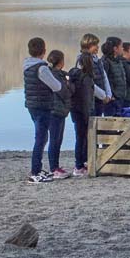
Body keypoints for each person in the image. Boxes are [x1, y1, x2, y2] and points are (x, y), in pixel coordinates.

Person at [23, 37, 63, 184]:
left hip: (32, 105)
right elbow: (56, 86)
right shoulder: (42, 68)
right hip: (42, 106)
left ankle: (38, 169)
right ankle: (35, 172)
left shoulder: (27, 65)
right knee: (41, 139)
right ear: (44, 51)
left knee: (40, 137)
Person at [69, 52, 104, 177]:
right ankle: (79, 165)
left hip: (74, 110)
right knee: (82, 138)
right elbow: (87, 98)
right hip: (83, 112)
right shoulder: (87, 79)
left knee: (80, 138)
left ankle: (80, 163)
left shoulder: (73, 75)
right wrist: (89, 114)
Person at [46, 50, 73, 180]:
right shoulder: (52, 76)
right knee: (55, 140)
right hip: (54, 111)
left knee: (58, 139)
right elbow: (65, 92)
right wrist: (67, 85)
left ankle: (55, 166)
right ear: (61, 62)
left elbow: (70, 89)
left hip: (61, 111)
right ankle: (54, 168)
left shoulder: (62, 75)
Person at [80, 33, 112, 116]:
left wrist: (108, 95)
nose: (98, 47)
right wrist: (103, 96)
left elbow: (104, 77)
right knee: (90, 126)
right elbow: (89, 83)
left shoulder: (97, 60)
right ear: (88, 45)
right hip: (90, 101)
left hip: (100, 100)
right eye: (95, 45)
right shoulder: (82, 60)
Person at [101, 36, 128, 116]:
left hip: (121, 98)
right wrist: (111, 95)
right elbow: (105, 80)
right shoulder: (105, 62)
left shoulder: (119, 61)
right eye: (121, 46)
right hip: (112, 100)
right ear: (115, 49)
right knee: (110, 125)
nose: (123, 48)